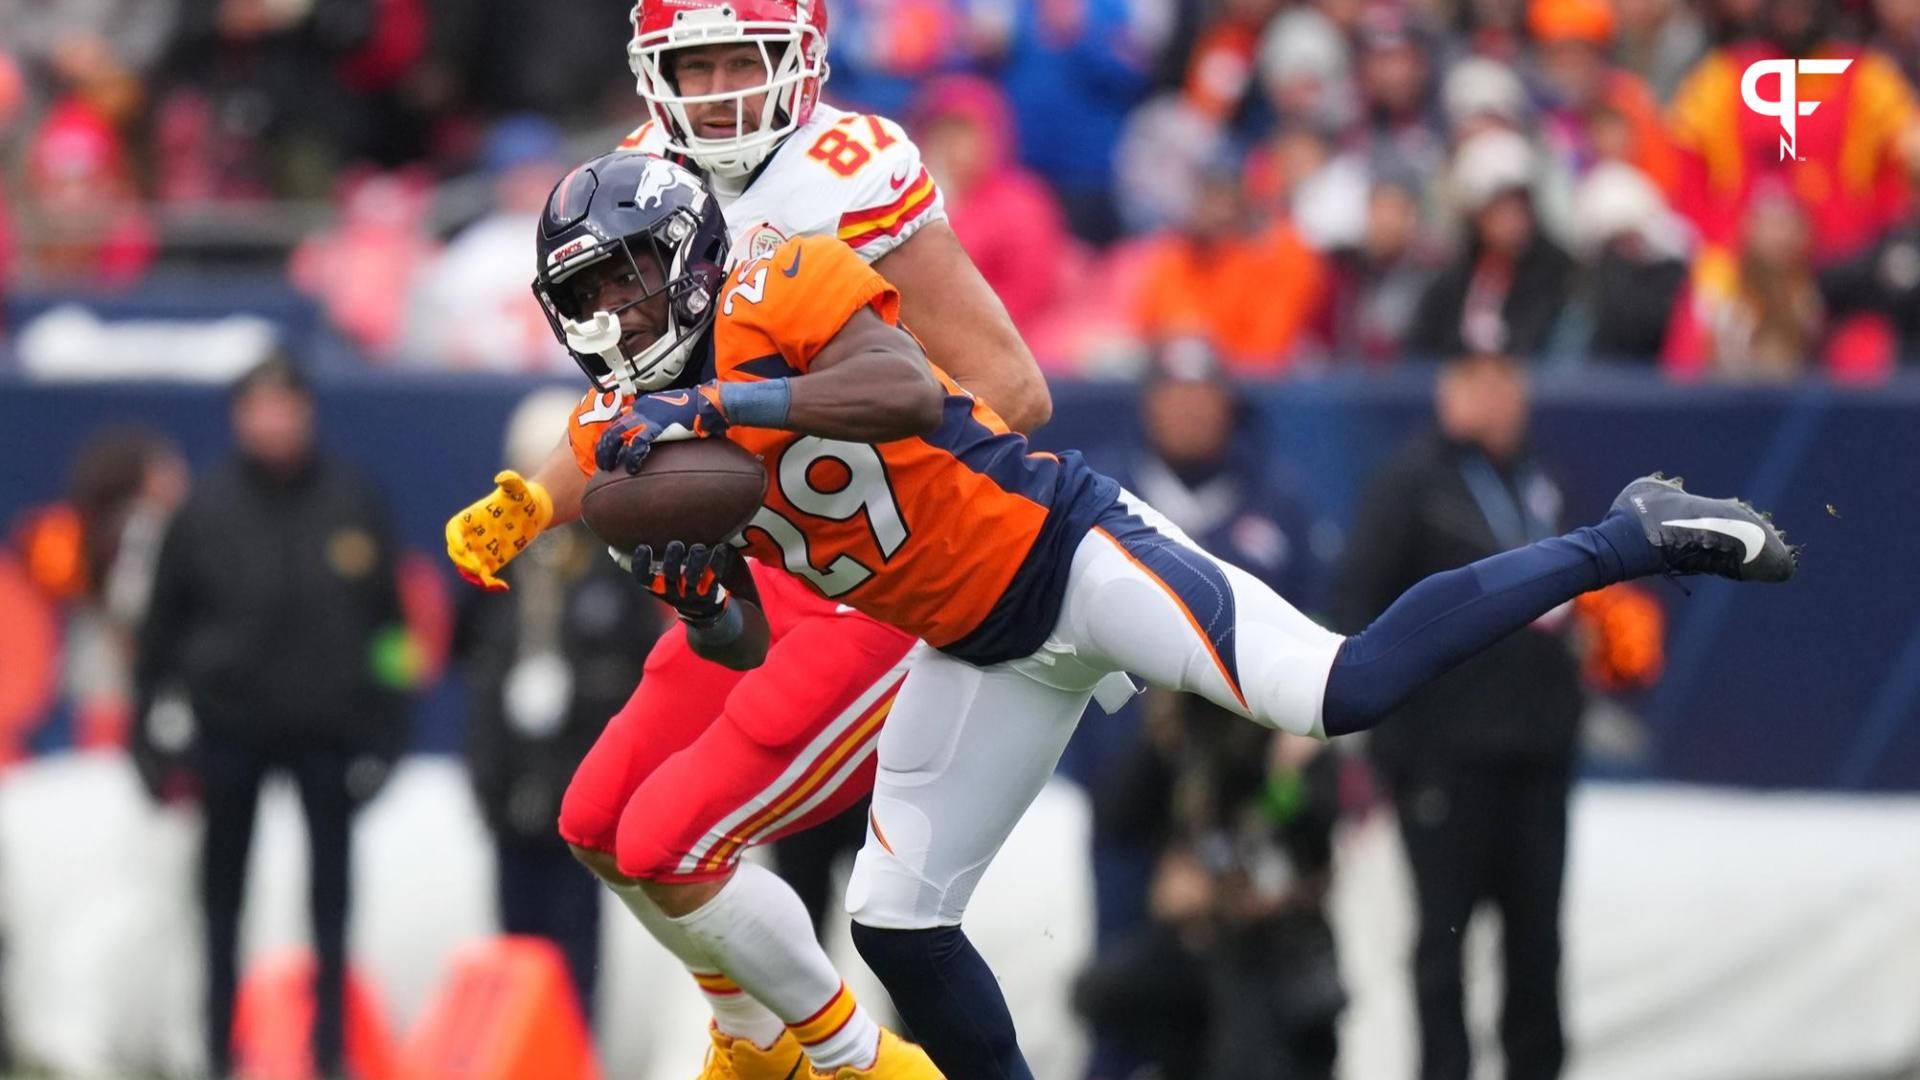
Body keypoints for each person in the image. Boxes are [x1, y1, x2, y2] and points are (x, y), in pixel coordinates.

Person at [545, 150, 1798, 1080]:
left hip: (1068, 553)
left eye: (628, 281)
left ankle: (1622, 533)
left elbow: (903, 391)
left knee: (1338, 691)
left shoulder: (782, 281)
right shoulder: (624, 438)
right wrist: (699, 595)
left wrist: (719, 414)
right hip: (973, 648)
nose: (616, 317)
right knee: (895, 926)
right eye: (588, 295)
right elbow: (741, 641)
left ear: (688, 252)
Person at [445, 2, 1049, 1076]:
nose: (720, 88)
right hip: (760, 572)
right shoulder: (644, 171)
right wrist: (537, 499)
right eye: (696, 62)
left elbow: (1011, 389)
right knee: (594, 822)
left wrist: (774, 437)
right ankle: (752, 1037)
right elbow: (633, 403)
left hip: (875, 563)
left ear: (803, 57)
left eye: (743, 58)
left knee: (673, 839)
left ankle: (863, 1061)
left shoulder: (851, 170)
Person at [133, 357, 413, 1080]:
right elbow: (160, 632)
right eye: (260, 408)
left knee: (332, 906)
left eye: (285, 406)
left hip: (328, 735)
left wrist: (391, 728)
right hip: (230, 733)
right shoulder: (205, 508)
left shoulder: (353, 498)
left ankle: (328, 1054)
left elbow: (391, 629)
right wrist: (146, 736)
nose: (274, 422)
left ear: (307, 412)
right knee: (222, 903)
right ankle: (219, 1051)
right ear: (239, 417)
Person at [1332, 352, 1582, 1080]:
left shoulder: (1542, 481)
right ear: (1447, 390)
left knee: (1538, 942)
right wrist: (1393, 745)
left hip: (1536, 755)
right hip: (1445, 758)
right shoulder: (1410, 484)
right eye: (1478, 379)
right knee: (1444, 944)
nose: (1497, 397)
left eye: (1508, 379)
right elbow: (1360, 607)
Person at [453, 389, 669, 1024]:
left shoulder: (616, 553)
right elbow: (465, 650)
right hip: (510, 774)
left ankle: (574, 1051)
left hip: (584, 771)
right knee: (514, 934)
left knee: (579, 934)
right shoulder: (497, 551)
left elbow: (644, 661)